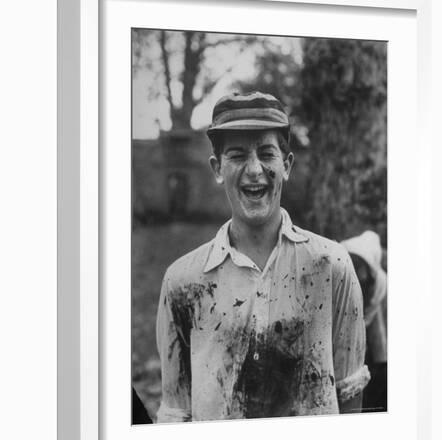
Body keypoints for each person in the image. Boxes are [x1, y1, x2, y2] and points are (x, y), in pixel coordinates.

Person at [156, 91, 369, 422]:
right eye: (238, 155)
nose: (254, 169)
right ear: (217, 168)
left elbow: (350, 393)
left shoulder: (332, 267)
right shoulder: (182, 283)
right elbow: (176, 412)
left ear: (286, 165)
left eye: (267, 154)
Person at [341, 231, 387, 412]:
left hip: (372, 310)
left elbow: (368, 315)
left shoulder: (380, 285)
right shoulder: (344, 258)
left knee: (378, 350)